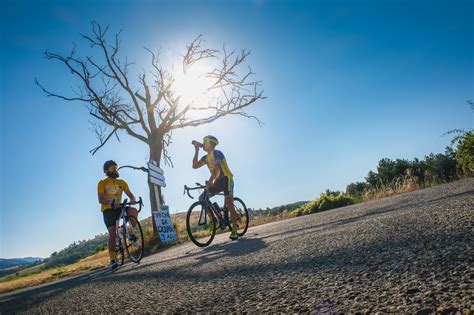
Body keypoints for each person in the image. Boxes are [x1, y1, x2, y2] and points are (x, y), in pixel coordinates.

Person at [192, 135, 239, 240]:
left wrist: (209, 182)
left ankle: (234, 231)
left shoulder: (217, 153)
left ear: (211, 144)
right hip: (217, 181)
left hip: (226, 179)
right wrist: (196, 150)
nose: (203, 143)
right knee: (202, 198)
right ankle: (215, 220)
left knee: (229, 204)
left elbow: (217, 170)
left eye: (205, 142)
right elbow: (194, 166)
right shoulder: (206, 158)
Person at [97, 160, 138, 270]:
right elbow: (100, 199)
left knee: (133, 211)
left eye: (115, 167)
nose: (115, 169)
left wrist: (133, 199)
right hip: (108, 209)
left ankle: (131, 234)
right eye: (112, 168)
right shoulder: (102, 183)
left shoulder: (122, 182)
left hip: (120, 207)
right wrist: (110, 202)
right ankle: (113, 259)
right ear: (106, 171)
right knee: (112, 233)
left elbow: (130, 194)